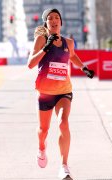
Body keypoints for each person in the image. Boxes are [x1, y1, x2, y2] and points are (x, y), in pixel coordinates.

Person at [27, 8, 94, 180]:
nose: (54, 20)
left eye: (57, 17)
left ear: (61, 22)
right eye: (50, 18)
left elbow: (72, 56)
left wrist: (84, 67)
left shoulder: (68, 42)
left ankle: (64, 166)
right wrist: (45, 48)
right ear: (46, 23)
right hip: (45, 92)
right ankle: (41, 148)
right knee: (43, 130)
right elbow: (30, 64)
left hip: (64, 91)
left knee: (63, 122)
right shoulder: (40, 40)